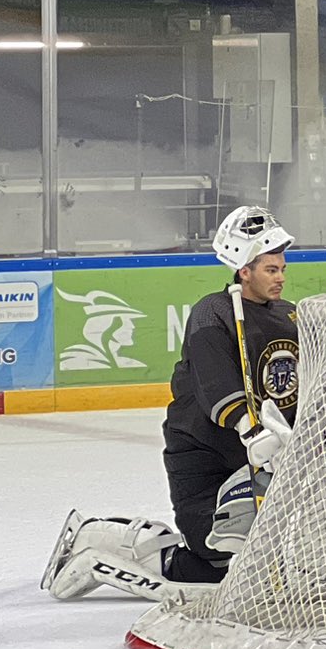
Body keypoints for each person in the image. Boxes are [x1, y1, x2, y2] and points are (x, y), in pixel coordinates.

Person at [44, 207, 299, 601]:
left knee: (264, 559)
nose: (281, 277)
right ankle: (103, 539)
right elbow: (215, 382)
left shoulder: (288, 316)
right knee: (213, 561)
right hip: (202, 455)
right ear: (244, 270)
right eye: (270, 269)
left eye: (282, 268)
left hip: (258, 458)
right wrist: (250, 428)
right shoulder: (213, 312)